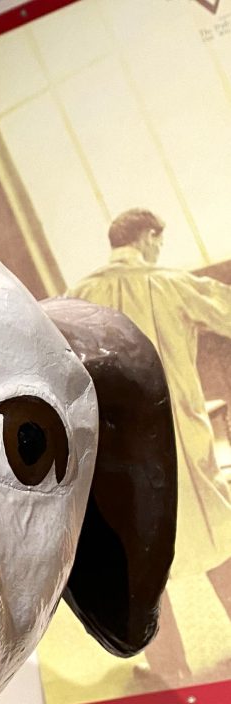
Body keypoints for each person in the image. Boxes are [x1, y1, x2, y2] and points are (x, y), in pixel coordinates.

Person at [69, 209, 231, 680]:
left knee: (140, 554)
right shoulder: (171, 282)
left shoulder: (81, 296)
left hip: (119, 451)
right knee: (218, 536)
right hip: (180, 436)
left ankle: (170, 673)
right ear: (150, 237)